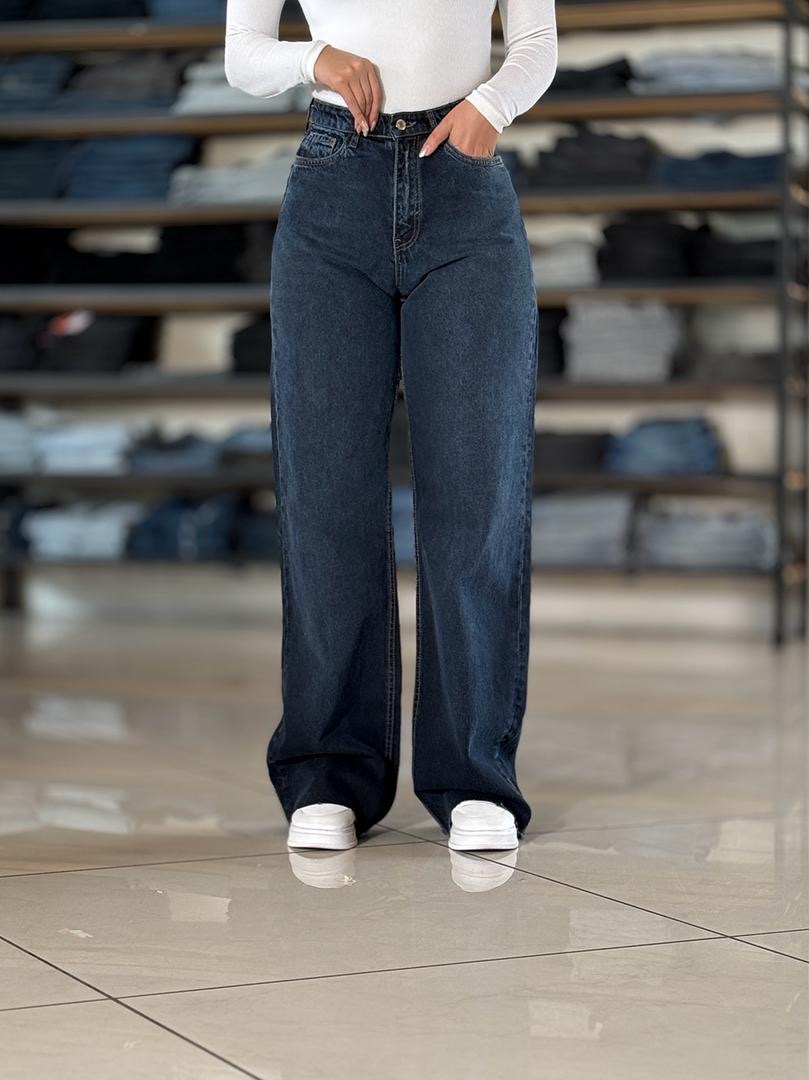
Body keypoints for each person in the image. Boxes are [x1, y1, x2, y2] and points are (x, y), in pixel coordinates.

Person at [224, 0, 558, 853]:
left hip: (464, 186)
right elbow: (241, 55)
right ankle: (329, 771)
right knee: (326, 496)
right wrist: (316, 59)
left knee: (476, 495)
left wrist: (488, 109)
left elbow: (534, 44)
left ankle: (472, 774)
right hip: (332, 185)